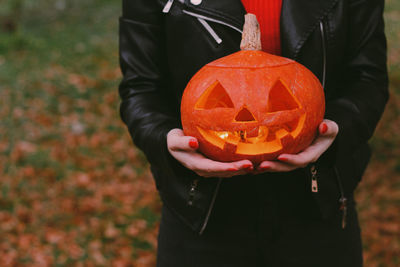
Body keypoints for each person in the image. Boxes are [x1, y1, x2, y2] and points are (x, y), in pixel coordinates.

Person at [118, 0, 388, 266]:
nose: (246, 118)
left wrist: (339, 127)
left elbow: (368, 79)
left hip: (318, 205)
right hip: (202, 211)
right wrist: (164, 138)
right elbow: (141, 87)